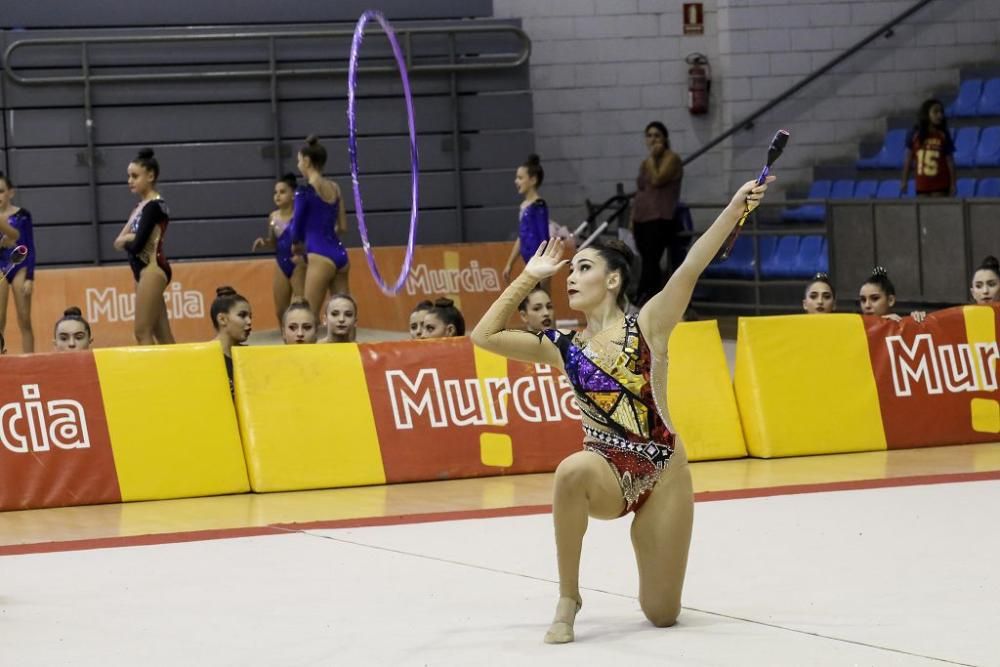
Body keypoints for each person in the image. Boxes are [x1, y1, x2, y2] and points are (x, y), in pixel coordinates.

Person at [472, 176, 775, 643]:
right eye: (568, 272)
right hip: (607, 471)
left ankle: (647, 537)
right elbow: (484, 336)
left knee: (661, 615)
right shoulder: (562, 347)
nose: (570, 276)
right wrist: (530, 275)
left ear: (612, 280)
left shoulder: (649, 323)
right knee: (570, 470)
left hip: (665, 474)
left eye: (584, 267)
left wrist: (736, 206)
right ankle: (568, 598)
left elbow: (692, 266)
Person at [113, 148, 175, 345]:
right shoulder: (141, 207)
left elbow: (137, 245)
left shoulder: (154, 206)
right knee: (163, 335)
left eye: (134, 176)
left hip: (152, 268)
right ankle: (179, 373)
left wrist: (126, 239)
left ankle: (152, 376)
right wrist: (127, 238)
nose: (129, 180)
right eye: (128, 176)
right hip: (145, 270)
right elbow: (119, 241)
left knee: (142, 332)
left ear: (150, 176)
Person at [290, 135, 350, 319]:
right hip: (340, 255)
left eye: (299, 161)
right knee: (345, 318)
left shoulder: (304, 191)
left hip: (319, 255)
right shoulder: (335, 187)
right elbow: (343, 226)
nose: (298, 165)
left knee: (309, 318)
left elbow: (296, 226)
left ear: (307, 161)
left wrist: (296, 246)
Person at [631, 121, 684, 305]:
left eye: (657, 136)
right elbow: (640, 191)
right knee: (647, 259)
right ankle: (647, 297)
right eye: (649, 136)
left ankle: (645, 297)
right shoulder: (645, 162)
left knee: (651, 261)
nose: (653, 140)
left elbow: (658, 178)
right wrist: (633, 219)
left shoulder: (672, 158)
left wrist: (653, 158)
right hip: (642, 218)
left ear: (665, 139)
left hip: (660, 218)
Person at [252, 173, 306, 324]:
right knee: (281, 310)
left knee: (302, 304)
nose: (277, 196)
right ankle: (286, 339)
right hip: (281, 263)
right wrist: (264, 242)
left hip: (298, 264)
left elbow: (309, 241)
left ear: (293, 195)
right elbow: (274, 241)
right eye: (275, 192)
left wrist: (303, 253)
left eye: (282, 192)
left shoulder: (300, 216)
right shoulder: (273, 217)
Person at [0, 172, 36, 353]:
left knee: (24, 319)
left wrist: (30, 276)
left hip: (20, 268)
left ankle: (30, 361)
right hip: (0, 267)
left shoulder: (22, 215)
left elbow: (29, 245)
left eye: (0, 191)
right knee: (0, 320)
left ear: (10, 192)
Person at [503, 154, 550, 290]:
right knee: (532, 304)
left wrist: (545, 266)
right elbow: (521, 237)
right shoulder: (524, 206)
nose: (516, 181)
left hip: (539, 264)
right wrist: (510, 264)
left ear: (533, 180)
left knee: (541, 303)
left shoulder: (539, 205)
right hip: (529, 264)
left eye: (520, 178)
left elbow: (544, 237)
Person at [900, 99, 955, 197]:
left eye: (941, 112)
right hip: (922, 186)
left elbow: (950, 162)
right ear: (926, 114)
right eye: (936, 112)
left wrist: (953, 184)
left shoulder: (943, 135)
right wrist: (904, 181)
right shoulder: (914, 134)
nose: (940, 115)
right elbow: (908, 160)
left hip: (940, 184)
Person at [210, 287, 252, 395]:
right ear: (222, 319)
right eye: (242, 315)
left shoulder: (250, 356)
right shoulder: (205, 356)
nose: (249, 321)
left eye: (250, 316)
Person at [859, 267, 925, 322]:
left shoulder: (902, 324)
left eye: (875, 298)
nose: (867, 305)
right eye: (863, 300)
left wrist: (919, 321)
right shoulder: (853, 326)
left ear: (890, 300)